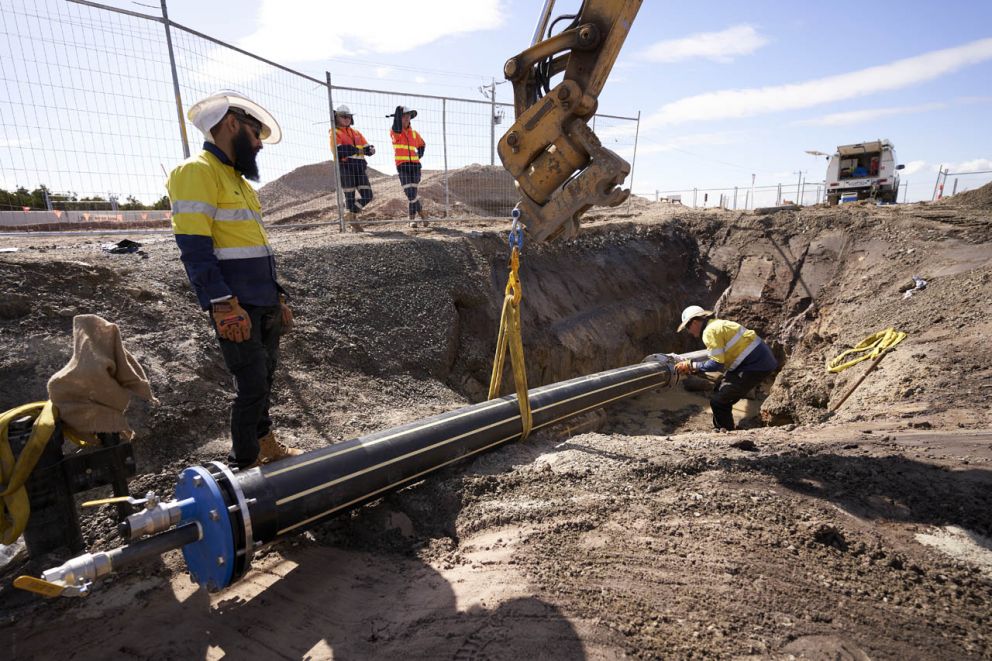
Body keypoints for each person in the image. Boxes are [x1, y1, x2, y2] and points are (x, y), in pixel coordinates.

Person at [166, 90, 302, 469]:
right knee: (251, 384)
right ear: (231, 125)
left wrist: (277, 296)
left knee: (266, 378)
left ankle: (265, 443)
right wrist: (222, 302)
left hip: (261, 299)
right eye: (255, 133)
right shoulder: (196, 172)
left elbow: (252, 246)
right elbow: (194, 249)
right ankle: (244, 463)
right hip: (235, 304)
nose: (259, 143)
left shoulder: (238, 181)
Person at [675, 305, 778, 432]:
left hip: (755, 364)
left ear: (695, 322)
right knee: (719, 390)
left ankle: (727, 433)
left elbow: (716, 364)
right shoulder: (716, 324)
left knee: (719, 401)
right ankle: (723, 427)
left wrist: (691, 365)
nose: (689, 331)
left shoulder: (709, 332)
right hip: (757, 360)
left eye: (687, 327)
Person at [331, 104, 374, 232]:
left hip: (359, 167)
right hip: (345, 167)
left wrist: (364, 150)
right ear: (336, 118)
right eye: (343, 116)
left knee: (368, 195)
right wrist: (360, 150)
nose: (346, 119)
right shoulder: (334, 132)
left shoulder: (356, 133)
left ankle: (350, 215)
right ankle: (353, 224)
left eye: (348, 116)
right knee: (349, 197)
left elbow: (369, 149)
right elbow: (339, 151)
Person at [388, 105, 428, 227]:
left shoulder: (414, 134)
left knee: (413, 193)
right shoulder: (395, 132)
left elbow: (422, 144)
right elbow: (396, 128)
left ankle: (412, 220)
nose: (406, 119)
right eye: (404, 116)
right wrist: (398, 113)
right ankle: (421, 213)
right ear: (398, 118)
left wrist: (419, 154)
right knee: (410, 193)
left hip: (415, 166)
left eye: (408, 116)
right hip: (402, 166)